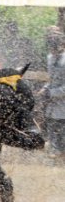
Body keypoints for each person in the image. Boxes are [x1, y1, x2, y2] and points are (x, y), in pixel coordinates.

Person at [43, 30, 65, 159]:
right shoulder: (49, 58)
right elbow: (51, 79)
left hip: (63, 104)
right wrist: (45, 89)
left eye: (55, 46)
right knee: (51, 128)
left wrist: (51, 93)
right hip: (52, 104)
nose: (53, 50)